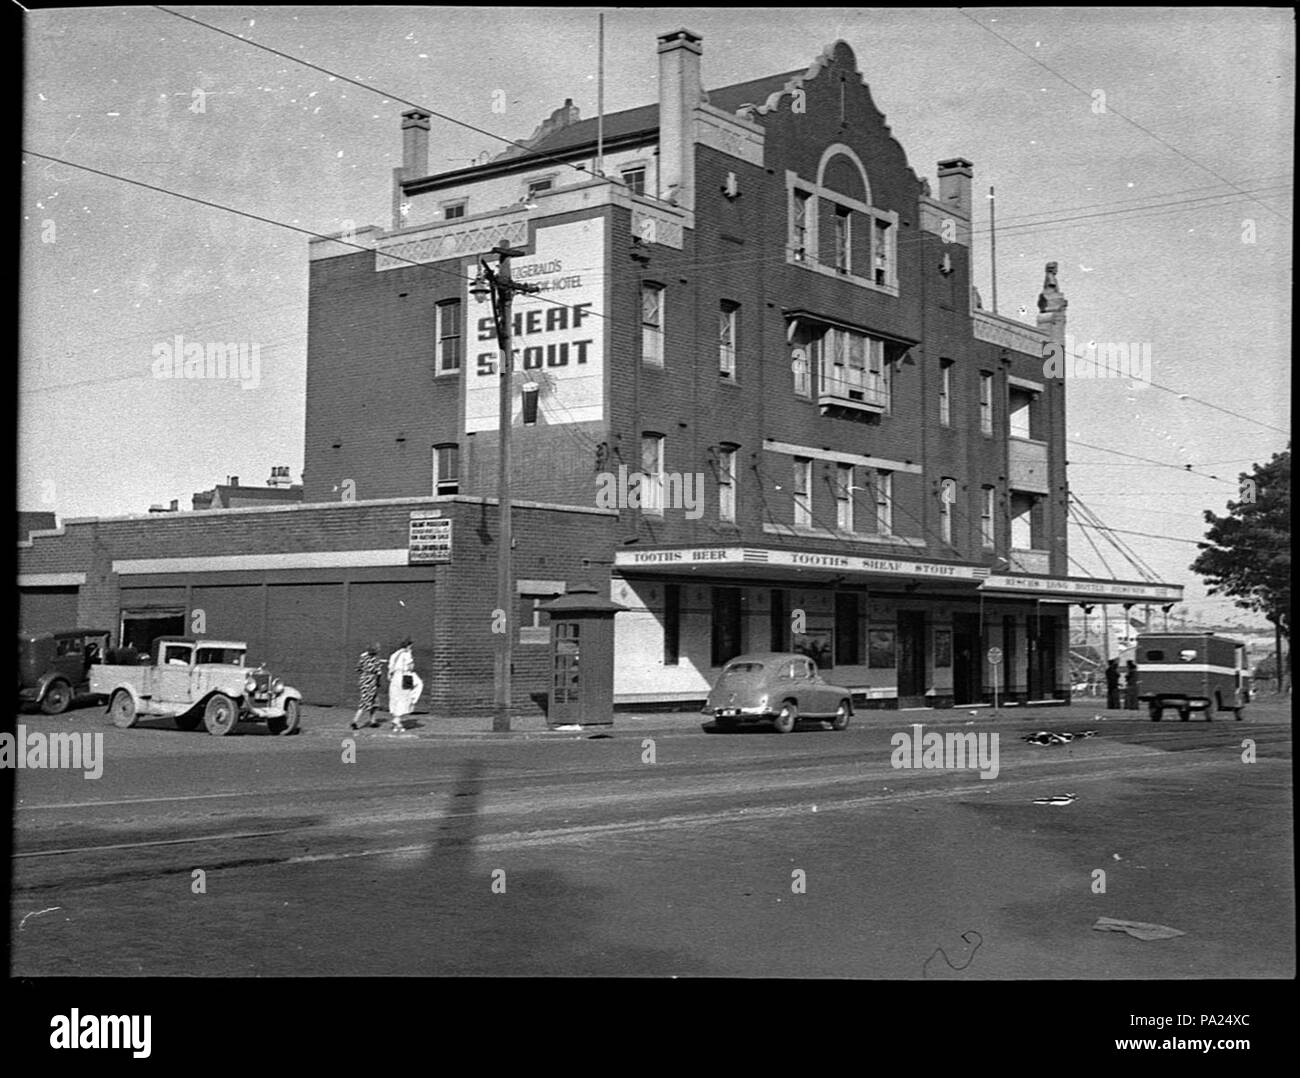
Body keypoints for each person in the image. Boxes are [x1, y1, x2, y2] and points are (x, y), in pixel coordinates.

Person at [387, 638, 423, 734]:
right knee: (404, 697)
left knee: (395, 698)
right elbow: (411, 667)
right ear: (408, 646)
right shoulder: (407, 654)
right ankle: (397, 720)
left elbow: (390, 669)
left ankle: (397, 722)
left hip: (395, 678)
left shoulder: (394, 655)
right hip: (403, 676)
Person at [351, 642, 385, 730]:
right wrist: (377, 682)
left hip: (363, 680)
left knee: (374, 702)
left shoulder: (363, 657)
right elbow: (378, 673)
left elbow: (358, 668)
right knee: (366, 702)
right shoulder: (376, 660)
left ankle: (372, 721)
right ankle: (355, 721)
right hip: (371, 681)